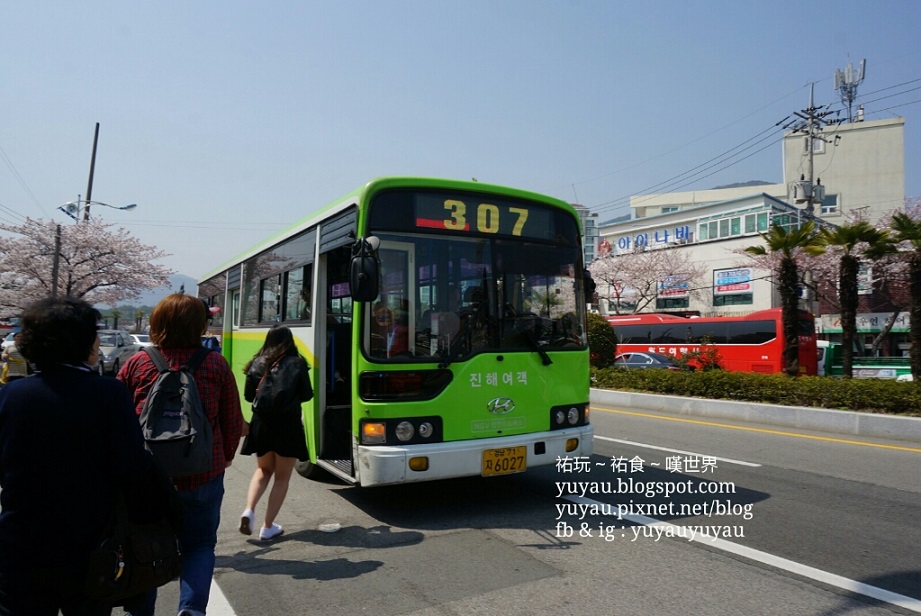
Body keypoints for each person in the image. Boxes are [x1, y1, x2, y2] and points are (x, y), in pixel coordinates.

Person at [0, 296, 152, 615]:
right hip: (91, 543)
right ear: (83, 341)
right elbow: (132, 466)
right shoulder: (108, 393)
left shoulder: (12, 396)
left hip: (22, 539)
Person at [118, 293, 244, 616]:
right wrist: (225, 456)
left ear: (157, 322)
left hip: (147, 478)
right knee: (200, 546)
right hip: (203, 474)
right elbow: (232, 420)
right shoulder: (215, 364)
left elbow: (116, 419)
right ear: (200, 326)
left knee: (142, 543)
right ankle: (190, 610)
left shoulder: (137, 364)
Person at [240, 325, 312, 541]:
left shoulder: (256, 363)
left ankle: (249, 510)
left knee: (263, 470)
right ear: (289, 340)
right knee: (282, 477)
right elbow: (307, 395)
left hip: (261, 423)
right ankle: (267, 526)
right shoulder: (298, 363)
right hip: (287, 425)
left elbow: (247, 395)